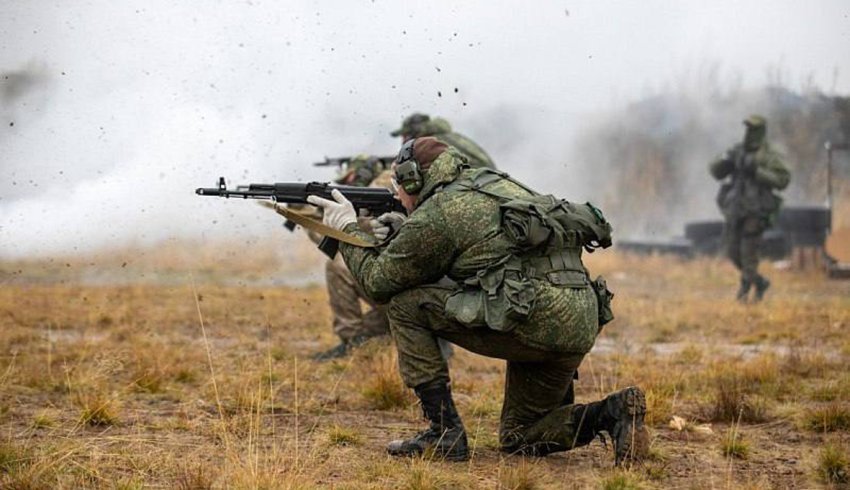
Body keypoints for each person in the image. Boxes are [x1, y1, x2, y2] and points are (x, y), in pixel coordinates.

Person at [308, 137, 648, 465]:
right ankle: (611, 413)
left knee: (405, 304)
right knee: (521, 436)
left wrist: (347, 231)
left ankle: (445, 432)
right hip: (578, 321)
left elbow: (378, 283)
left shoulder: (442, 210)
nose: (398, 193)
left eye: (400, 184)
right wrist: (406, 228)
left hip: (530, 316)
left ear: (414, 179)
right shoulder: (496, 184)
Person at [311, 154, 390, 361]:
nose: (348, 184)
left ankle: (351, 342)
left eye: (351, 179)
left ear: (364, 172)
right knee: (372, 325)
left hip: (402, 288)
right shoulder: (394, 183)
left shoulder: (382, 187)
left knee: (337, 266)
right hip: (415, 290)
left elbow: (348, 237)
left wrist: (313, 218)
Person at [710, 115, 790, 303]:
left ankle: (745, 291)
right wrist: (725, 161)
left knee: (748, 254)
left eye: (752, 128)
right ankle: (760, 282)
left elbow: (783, 179)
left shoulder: (769, 154)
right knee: (732, 252)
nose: (748, 132)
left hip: (756, 210)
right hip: (735, 208)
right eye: (747, 127)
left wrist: (757, 171)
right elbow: (715, 171)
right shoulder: (738, 150)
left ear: (761, 130)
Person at [391, 113, 496, 169]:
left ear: (414, 134)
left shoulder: (432, 144)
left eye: (405, 136)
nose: (403, 141)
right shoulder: (448, 137)